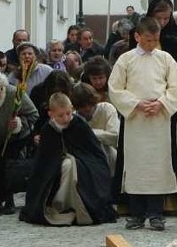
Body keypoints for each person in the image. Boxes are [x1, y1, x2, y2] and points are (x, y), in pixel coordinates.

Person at [108, 17, 177, 231]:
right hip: (136, 121)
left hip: (159, 121)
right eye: (148, 40)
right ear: (137, 36)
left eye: (155, 40)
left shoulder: (166, 59)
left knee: (158, 166)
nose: (152, 44)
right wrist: (136, 104)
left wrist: (161, 103)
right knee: (136, 166)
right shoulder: (126, 60)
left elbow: (175, 88)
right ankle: (137, 213)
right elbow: (115, 88)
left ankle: (156, 213)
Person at [20, 92, 116, 226]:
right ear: (51, 114)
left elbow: (94, 153)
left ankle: (72, 204)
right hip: (54, 174)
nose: (65, 118)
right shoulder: (48, 129)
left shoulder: (79, 124)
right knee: (67, 165)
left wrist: (72, 159)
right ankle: (57, 204)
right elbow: (42, 162)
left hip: (84, 169)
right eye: (60, 115)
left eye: (68, 113)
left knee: (70, 164)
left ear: (72, 109)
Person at [0, 68, 38, 217]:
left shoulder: (15, 93)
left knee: (7, 162)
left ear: (2, 87)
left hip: (15, 139)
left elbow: (34, 115)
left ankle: (7, 198)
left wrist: (19, 124)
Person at [71, 83, 120, 176]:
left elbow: (115, 137)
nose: (88, 108)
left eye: (90, 104)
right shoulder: (73, 118)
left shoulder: (107, 109)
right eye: (83, 107)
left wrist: (90, 134)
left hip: (109, 158)